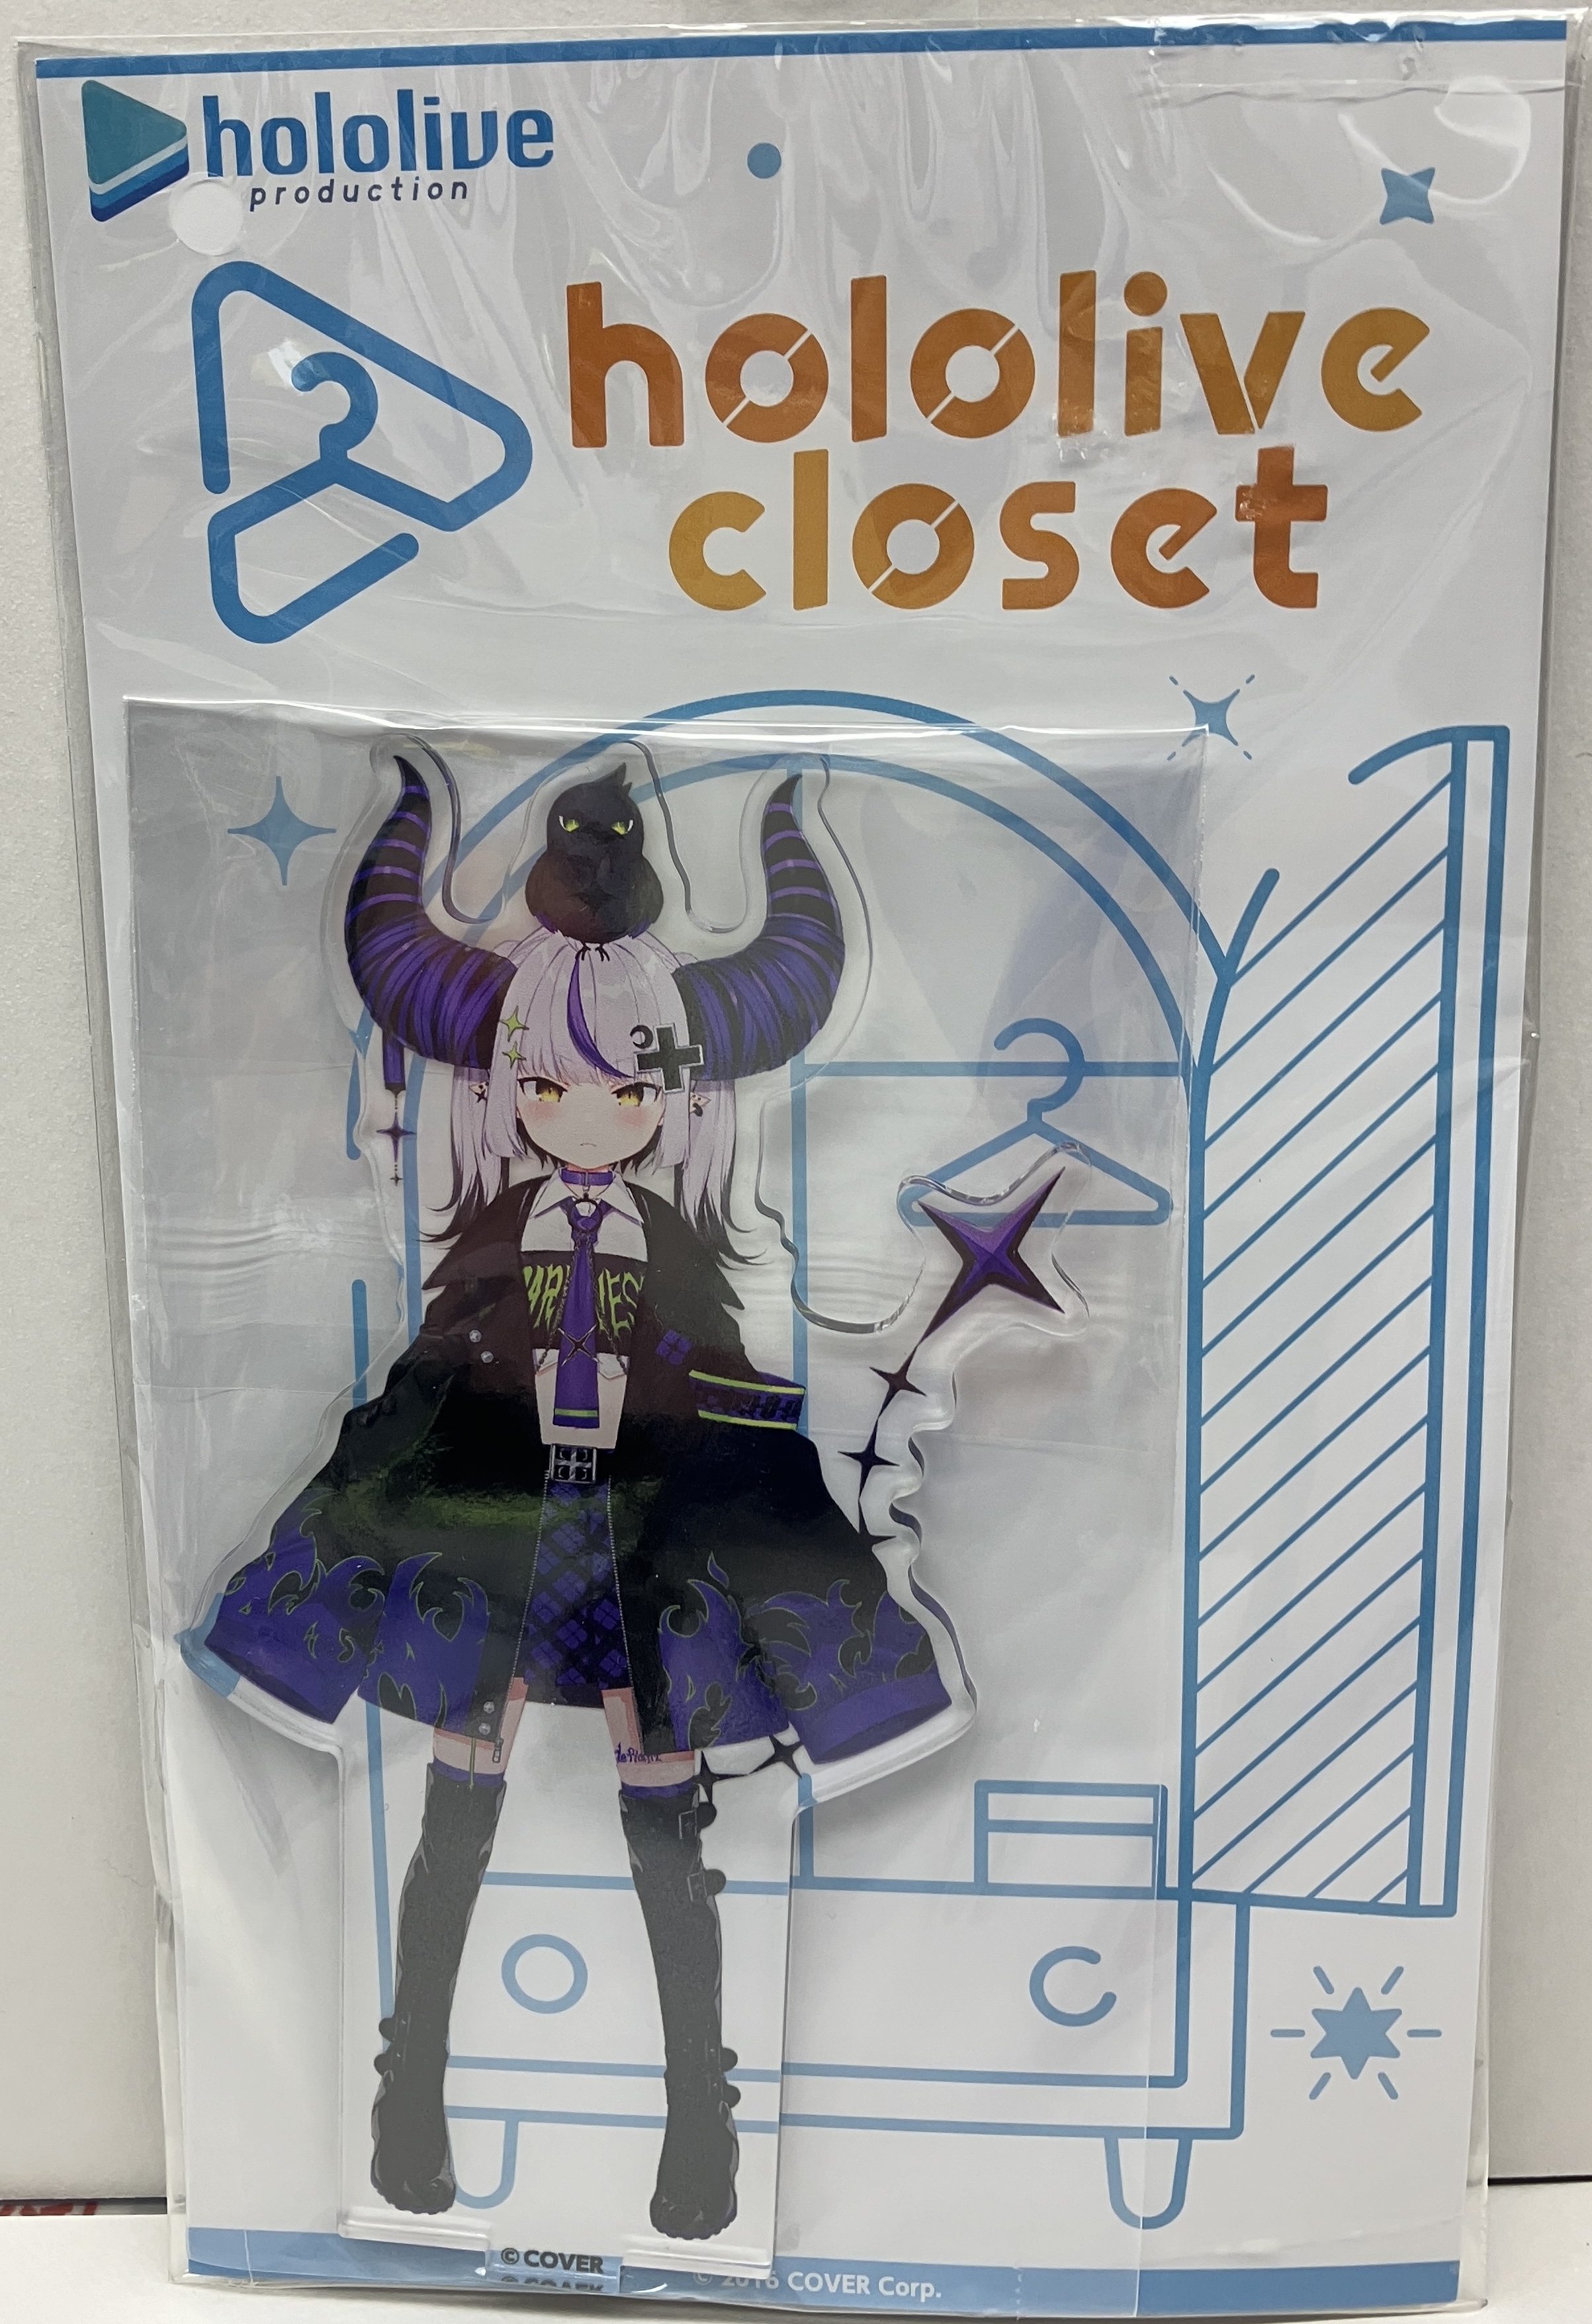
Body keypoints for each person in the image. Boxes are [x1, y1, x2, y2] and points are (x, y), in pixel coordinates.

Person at [193, 751, 955, 2241]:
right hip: (497, 1540)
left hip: (636, 1551)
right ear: (502, 1088)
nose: (585, 1110)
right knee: (459, 1792)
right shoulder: (490, 1241)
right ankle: (407, 2102)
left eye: (624, 1084)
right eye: (544, 1082)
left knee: (660, 1796)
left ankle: (701, 2127)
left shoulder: (677, 1248)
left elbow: (725, 1405)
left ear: (673, 1094)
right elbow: (423, 1396)